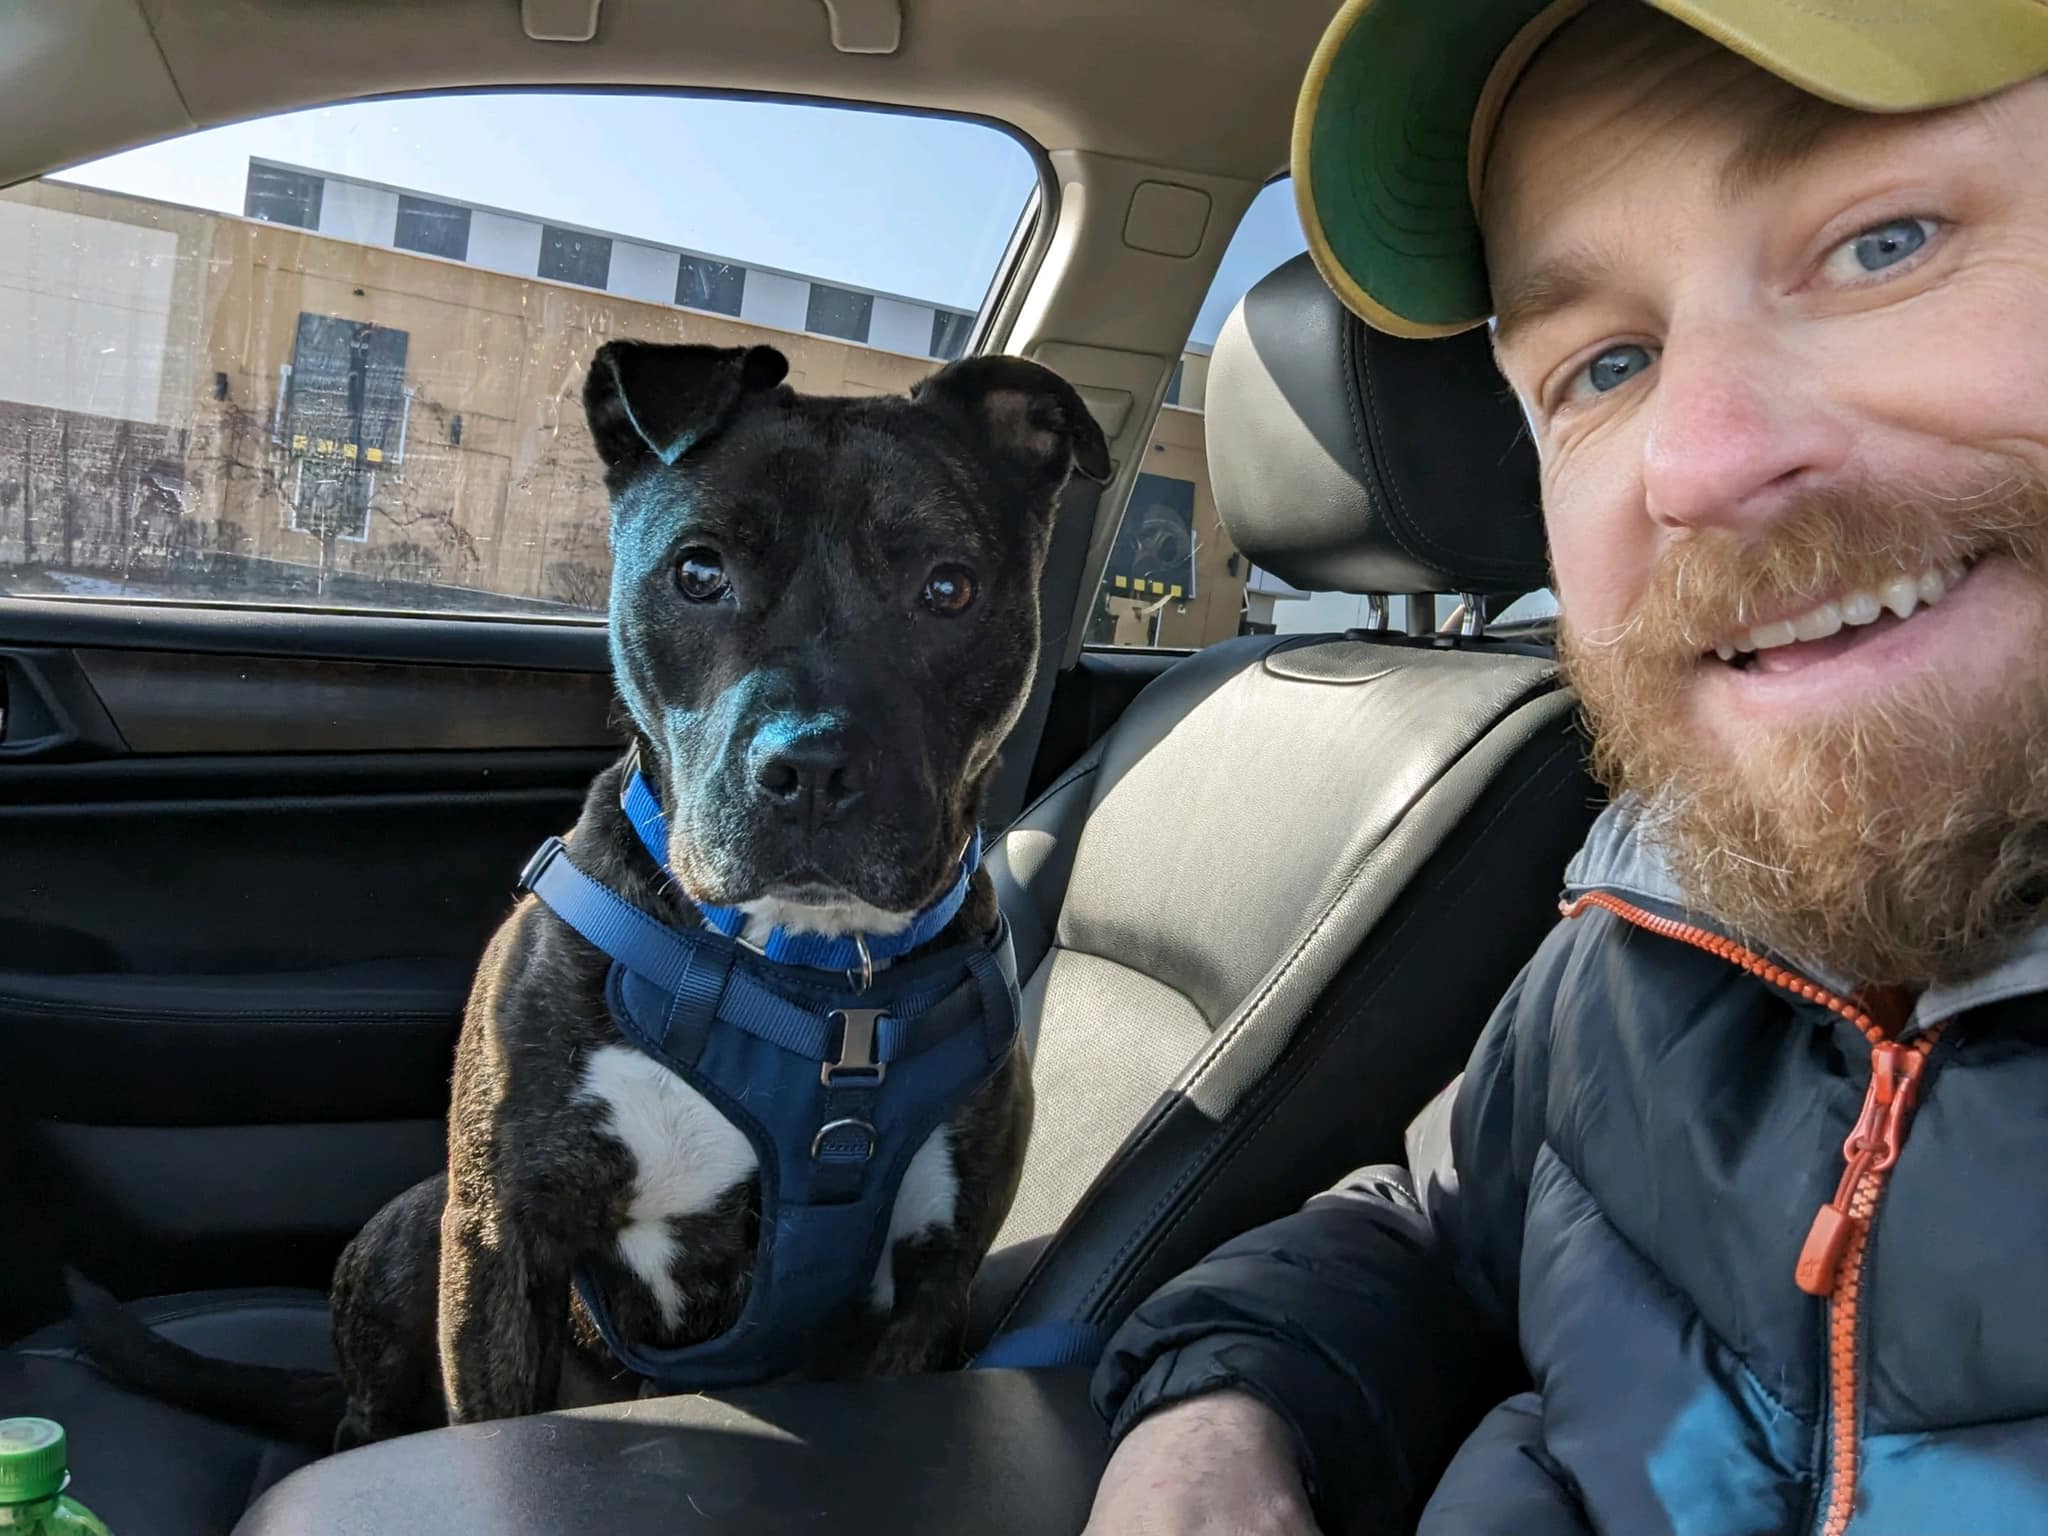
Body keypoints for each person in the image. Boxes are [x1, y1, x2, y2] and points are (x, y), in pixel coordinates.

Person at [1080, 1, 2048, 1532]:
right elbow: (1438, 1225)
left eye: (1887, 241)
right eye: (1604, 365)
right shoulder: (1655, 918)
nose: (1700, 463)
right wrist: (1221, 1414)